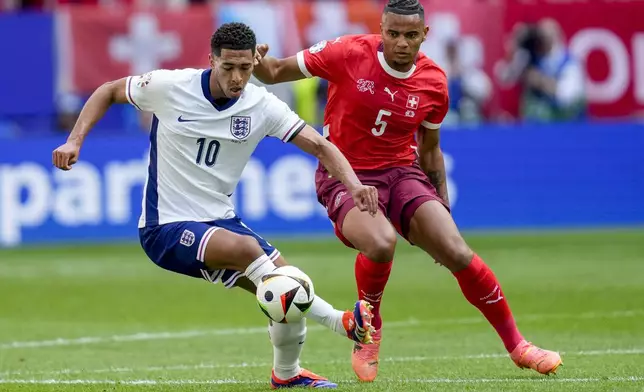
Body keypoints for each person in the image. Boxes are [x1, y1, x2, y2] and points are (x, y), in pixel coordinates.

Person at [52, 22, 380, 389]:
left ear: (255, 62)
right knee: (257, 259)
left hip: (220, 221)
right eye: (228, 67)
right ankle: (340, 321)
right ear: (211, 60)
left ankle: (287, 375)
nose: (238, 78)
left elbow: (319, 145)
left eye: (245, 68)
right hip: (165, 227)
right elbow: (109, 90)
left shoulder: (262, 105)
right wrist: (74, 141)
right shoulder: (171, 87)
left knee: (290, 285)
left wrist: (354, 185)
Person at [252, 0, 563, 382]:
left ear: (424, 35)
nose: (401, 42)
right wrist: (257, 61)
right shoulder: (346, 52)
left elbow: (430, 151)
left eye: (411, 35)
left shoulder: (434, 82)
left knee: (457, 251)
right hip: (344, 173)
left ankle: (519, 346)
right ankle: (369, 329)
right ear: (381, 29)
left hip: (402, 172)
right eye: (393, 33)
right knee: (381, 242)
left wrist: (442, 209)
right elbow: (275, 71)